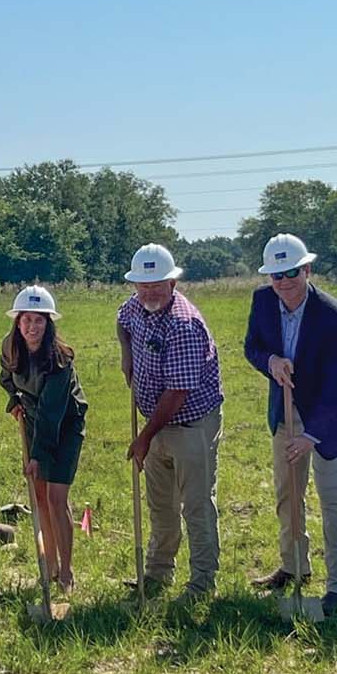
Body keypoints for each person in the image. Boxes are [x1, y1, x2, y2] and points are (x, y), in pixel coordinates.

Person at [242, 235, 337, 613]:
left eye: (291, 272)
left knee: (331, 498)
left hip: (328, 419)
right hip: (285, 412)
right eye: (276, 275)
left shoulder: (333, 315)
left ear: (307, 269)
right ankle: (294, 567)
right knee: (288, 494)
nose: (284, 281)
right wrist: (271, 361)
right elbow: (252, 347)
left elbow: (336, 382)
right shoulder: (262, 301)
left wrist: (311, 434)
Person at [117, 243, 225, 599]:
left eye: (157, 284)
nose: (149, 291)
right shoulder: (135, 306)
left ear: (173, 283)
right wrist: (127, 355)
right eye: (142, 285)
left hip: (191, 423)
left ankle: (201, 581)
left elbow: (177, 393)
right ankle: (158, 575)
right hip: (155, 421)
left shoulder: (184, 323)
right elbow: (122, 321)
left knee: (195, 503)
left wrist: (144, 437)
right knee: (160, 503)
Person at [0, 285, 87, 590]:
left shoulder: (59, 361)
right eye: (26, 320)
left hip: (65, 426)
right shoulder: (11, 347)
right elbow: (6, 376)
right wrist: (15, 400)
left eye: (39, 321)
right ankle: (48, 564)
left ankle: (66, 572)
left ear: (48, 324)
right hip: (35, 419)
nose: (31, 327)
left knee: (55, 497)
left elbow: (52, 415)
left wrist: (36, 456)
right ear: (18, 321)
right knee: (39, 497)